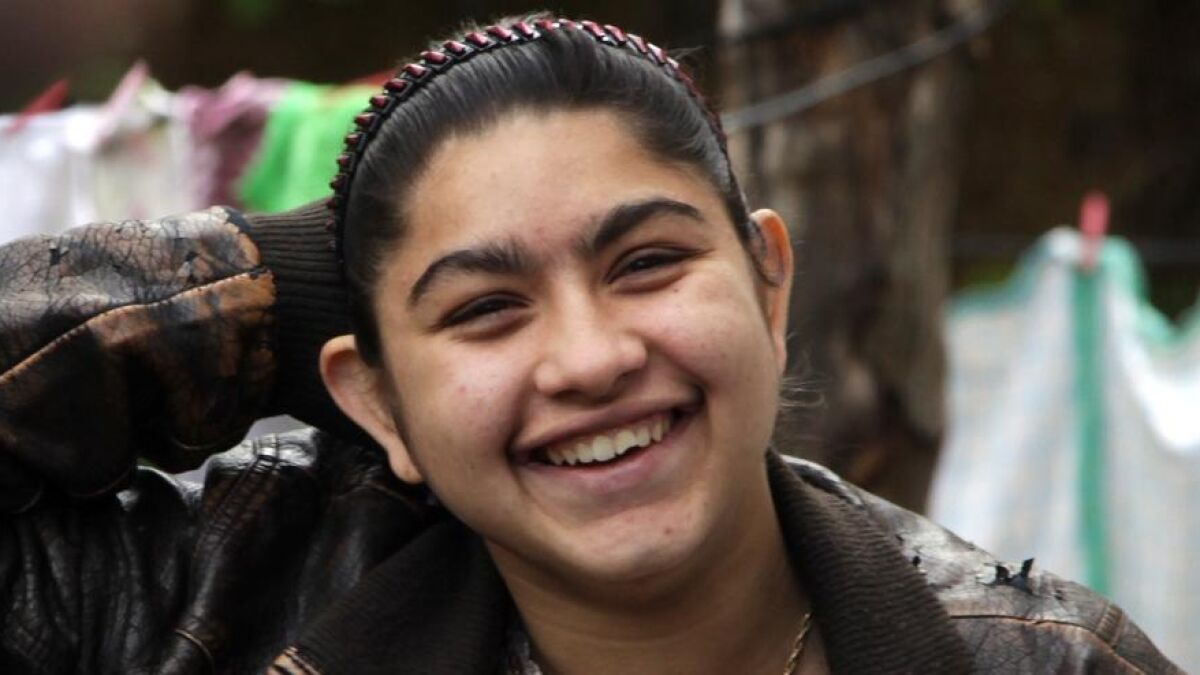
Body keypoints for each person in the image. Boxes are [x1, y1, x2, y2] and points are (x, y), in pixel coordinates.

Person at [0, 15, 1179, 675]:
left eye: (647, 263)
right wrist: (276, 277)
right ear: (377, 404)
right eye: (483, 309)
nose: (591, 358)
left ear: (770, 289)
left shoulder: (1047, 664)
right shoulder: (205, 609)